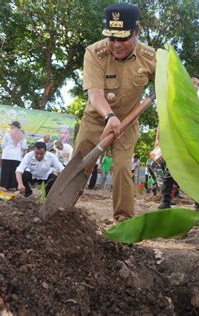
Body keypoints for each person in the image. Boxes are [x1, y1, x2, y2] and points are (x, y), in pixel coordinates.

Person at [73, 3, 155, 221]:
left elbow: (169, 83)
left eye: (123, 38)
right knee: (78, 165)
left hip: (128, 124)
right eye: (112, 38)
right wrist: (109, 117)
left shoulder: (150, 56)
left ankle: (123, 220)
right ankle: (62, 209)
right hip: (96, 120)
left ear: (137, 32)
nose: (116, 44)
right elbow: (95, 94)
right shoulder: (94, 52)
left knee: (121, 169)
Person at [0, 121, 28, 190]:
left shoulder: (7, 134)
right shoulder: (22, 135)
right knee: (14, 171)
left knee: (6, 171)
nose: (10, 127)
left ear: (14, 126)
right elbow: (24, 147)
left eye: (11, 126)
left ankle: (4, 186)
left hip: (7, 155)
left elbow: (3, 144)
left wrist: (6, 150)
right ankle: (13, 186)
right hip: (17, 155)